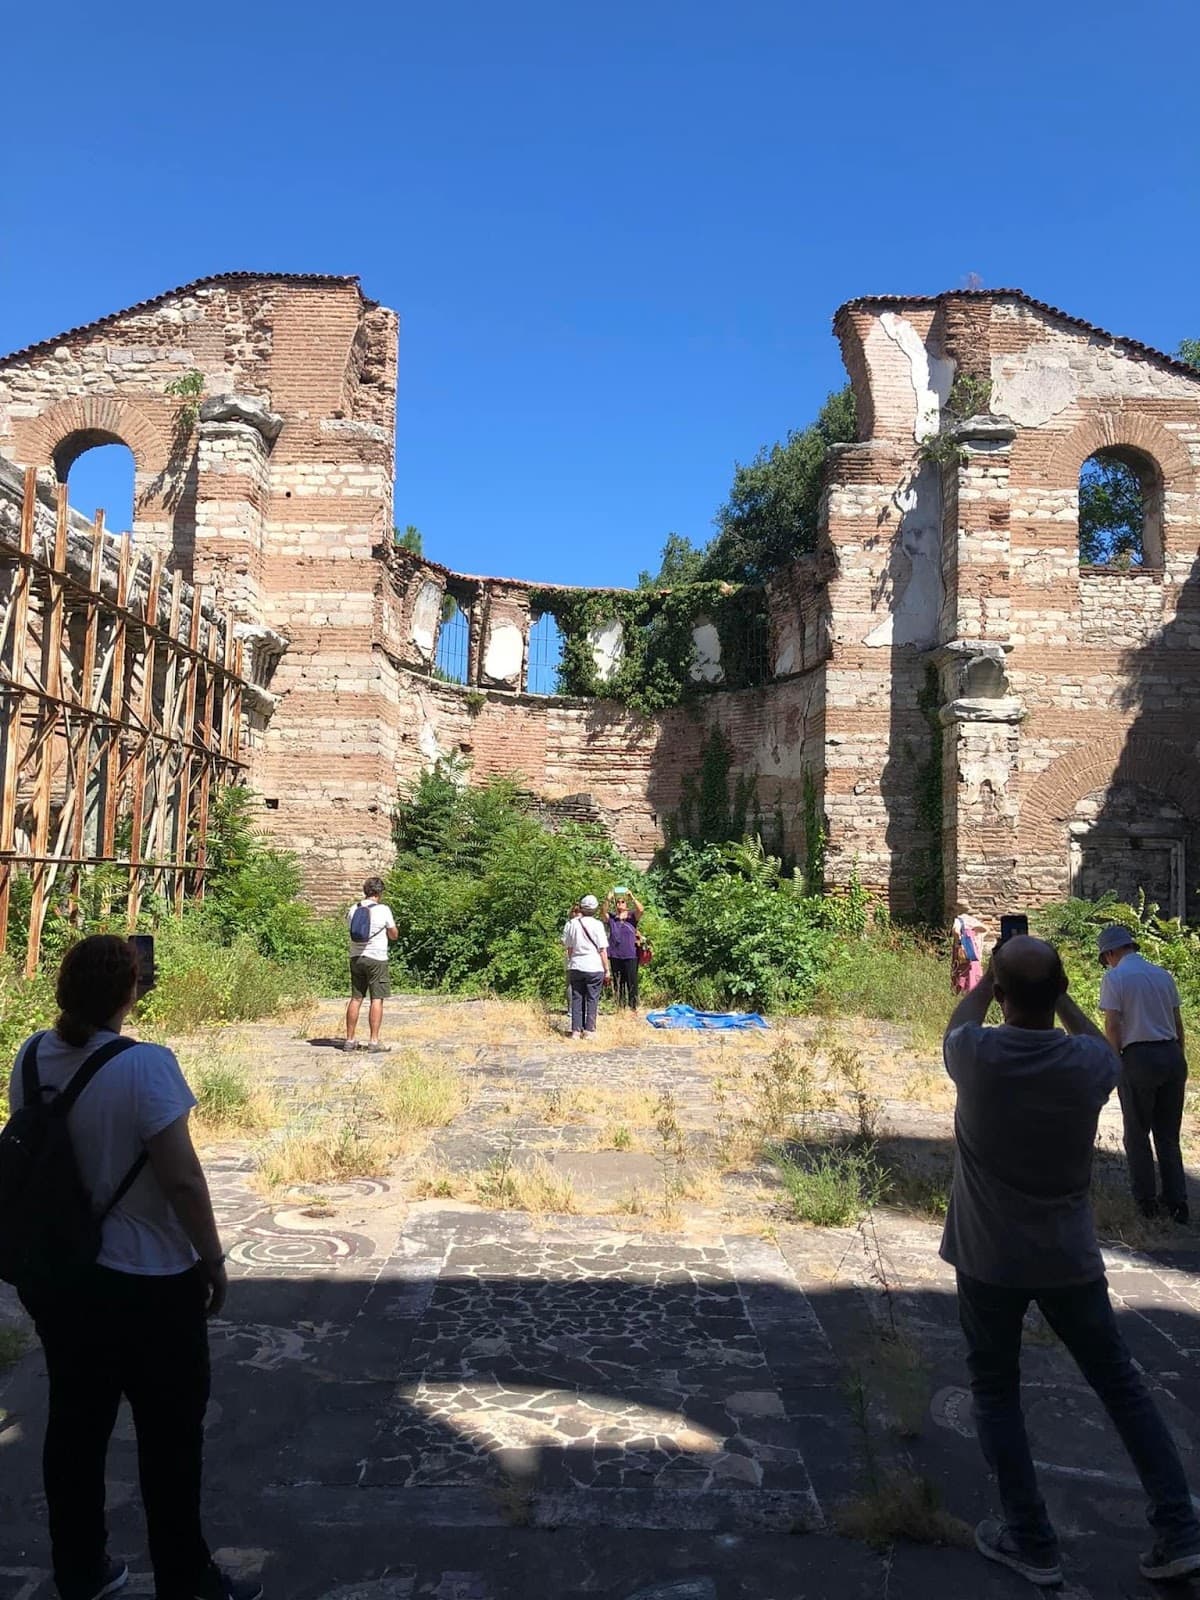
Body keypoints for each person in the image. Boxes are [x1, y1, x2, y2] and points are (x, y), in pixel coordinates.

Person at [941, 934, 1200, 1588]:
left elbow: (960, 1020)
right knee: (1121, 1385)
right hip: (1069, 1255)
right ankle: (1178, 1524)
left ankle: (1030, 1537)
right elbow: (1098, 1043)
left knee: (996, 1391)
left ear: (999, 994)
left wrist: (989, 975)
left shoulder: (977, 1054)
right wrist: (1063, 999)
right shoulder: (1089, 1067)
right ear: (1056, 992)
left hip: (988, 1253)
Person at [8, 935, 260, 1600]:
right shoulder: (147, 1066)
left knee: (74, 1428)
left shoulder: (32, 1056)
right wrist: (213, 1259)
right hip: (148, 1278)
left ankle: (80, 1570)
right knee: (170, 1438)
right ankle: (185, 1578)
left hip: (63, 1274)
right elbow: (181, 1178)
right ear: (131, 992)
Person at [1097, 923, 1189, 1223]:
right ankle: (1177, 1204)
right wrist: (1179, 1057)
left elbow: (1113, 1025)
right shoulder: (1163, 975)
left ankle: (1146, 1202)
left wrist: (1114, 1062)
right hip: (1171, 1054)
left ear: (1111, 953)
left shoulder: (1116, 977)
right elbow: (1178, 1023)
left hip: (1139, 1056)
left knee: (1136, 1133)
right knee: (1168, 1135)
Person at [345, 875, 398, 1053]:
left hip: (356, 957)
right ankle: (374, 1042)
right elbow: (394, 934)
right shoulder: (383, 910)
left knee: (356, 998)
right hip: (376, 958)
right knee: (377, 999)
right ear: (379, 892)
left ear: (365, 891)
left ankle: (350, 1040)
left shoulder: (353, 908)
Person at [562, 894, 609, 1039]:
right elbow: (602, 950)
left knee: (577, 998)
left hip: (576, 965)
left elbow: (569, 947)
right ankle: (589, 1030)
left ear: (581, 908)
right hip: (594, 966)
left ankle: (576, 1030)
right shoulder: (598, 925)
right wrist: (606, 969)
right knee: (592, 999)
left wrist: (571, 962)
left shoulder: (573, 924)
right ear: (595, 909)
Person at [602, 887, 644, 1012]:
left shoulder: (632, 917)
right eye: (618, 902)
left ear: (626, 904)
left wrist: (632, 897)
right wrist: (608, 899)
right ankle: (620, 1007)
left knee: (632, 982)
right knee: (618, 982)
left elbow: (641, 910)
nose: (620, 904)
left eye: (622, 902)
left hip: (631, 955)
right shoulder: (612, 918)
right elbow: (602, 913)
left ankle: (633, 1008)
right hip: (615, 955)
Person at [951, 906, 986, 994]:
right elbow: (985, 929)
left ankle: (961, 989)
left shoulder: (959, 919)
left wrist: (959, 941)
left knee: (961, 968)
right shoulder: (973, 920)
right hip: (972, 949)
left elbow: (955, 930)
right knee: (973, 968)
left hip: (962, 948)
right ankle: (973, 989)